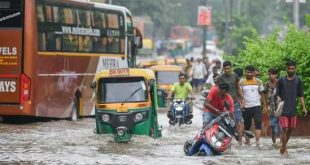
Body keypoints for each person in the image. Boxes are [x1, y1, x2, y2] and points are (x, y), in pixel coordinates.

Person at [276, 60, 307, 155]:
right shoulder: (281, 80)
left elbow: (301, 95)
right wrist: (278, 98)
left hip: (293, 109)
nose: (291, 70)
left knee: (290, 130)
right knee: (285, 129)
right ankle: (285, 149)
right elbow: (277, 93)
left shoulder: (298, 80)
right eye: (289, 68)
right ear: (286, 69)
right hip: (284, 109)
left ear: (295, 69)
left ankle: (283, 146)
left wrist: (304, 107)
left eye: (292, 68)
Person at [239, 65, 267, 147]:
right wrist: (241, 103)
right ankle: (248, 142)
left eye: (251, 72)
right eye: (247, 72)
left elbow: (262, 94)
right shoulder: (241, 82)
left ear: (253, 73)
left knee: (258, 122)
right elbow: (239, 94)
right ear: (245, 72)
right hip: (246, 107)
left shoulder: (258, 81)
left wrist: (265, 106)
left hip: (257, 106)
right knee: (247, 125)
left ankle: (257, 142)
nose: (249, 74)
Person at [219, 61, 244, 146]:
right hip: (224, 104)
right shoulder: (221, 77)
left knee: (238, 122)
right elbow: (219, 90)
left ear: (231, 68)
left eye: (228, 68)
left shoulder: (235, 76)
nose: (227, 70)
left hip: (235, 102)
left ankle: (240, 143)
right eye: (225, 69)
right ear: (223, 69)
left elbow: (238, 87)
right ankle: (227, 143)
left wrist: (242, 99)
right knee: (226, 124)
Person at [264, 68, 281, 147]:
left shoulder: (281, 83)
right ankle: (274, 143)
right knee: (273, 126)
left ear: (276, 75)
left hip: (281, 107)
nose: (270, 76)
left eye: (272, 74)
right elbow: (264, 96)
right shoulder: (267, 84)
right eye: (269, 74)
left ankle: (281, 142)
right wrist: (265, 106)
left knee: (281, 126)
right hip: (271, 108)